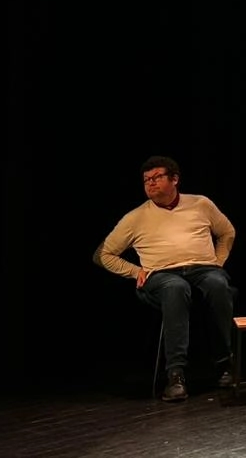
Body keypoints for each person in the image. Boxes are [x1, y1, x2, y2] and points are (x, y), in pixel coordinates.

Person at [94, 156, 236, 402]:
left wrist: (218, 262)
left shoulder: (201, 204)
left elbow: (227, 232)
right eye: (146, 180)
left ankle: (225, 365)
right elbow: (102, 254)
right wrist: (135, 271)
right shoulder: (135, 217)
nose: (151, 183)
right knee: (175, 287)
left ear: (175, 179)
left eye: (157, 177)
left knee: (218, 283)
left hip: (202, 269)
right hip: (161, 275)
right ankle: (176, 375)